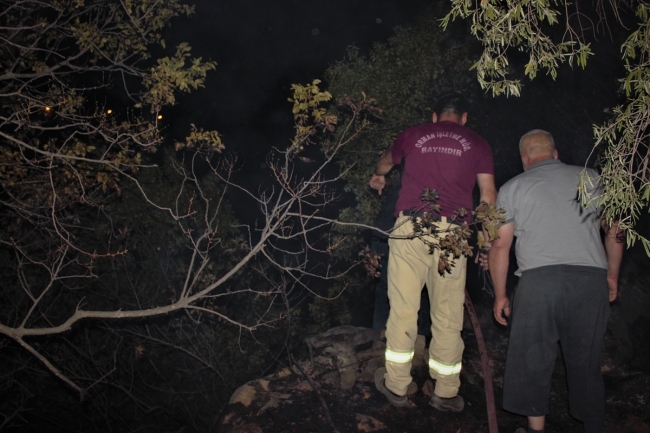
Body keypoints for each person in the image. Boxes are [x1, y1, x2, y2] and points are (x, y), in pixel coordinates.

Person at [488, 130, 624, 433]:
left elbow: (500, 246)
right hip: (588, 283)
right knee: (587, 361)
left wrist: (500, 295)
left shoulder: (513, 187)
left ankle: (536, 429)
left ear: (524, 158)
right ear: (555, 153)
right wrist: (612, 275)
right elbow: (616, 229)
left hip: (539, 285)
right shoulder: (590, 177)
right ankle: (593, 428)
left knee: (532, 359)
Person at [369, 92, 496, 411]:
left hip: (411, 227)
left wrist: (379, 174)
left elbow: (386, 159)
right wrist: (488, 240)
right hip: (453, 233)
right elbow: (488, 195)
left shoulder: (413, 134)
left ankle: (397, 386)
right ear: (464, 117)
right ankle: (446, 391)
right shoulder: (478, 144)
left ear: (435, 116)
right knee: (448, 312)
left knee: (402, 309)